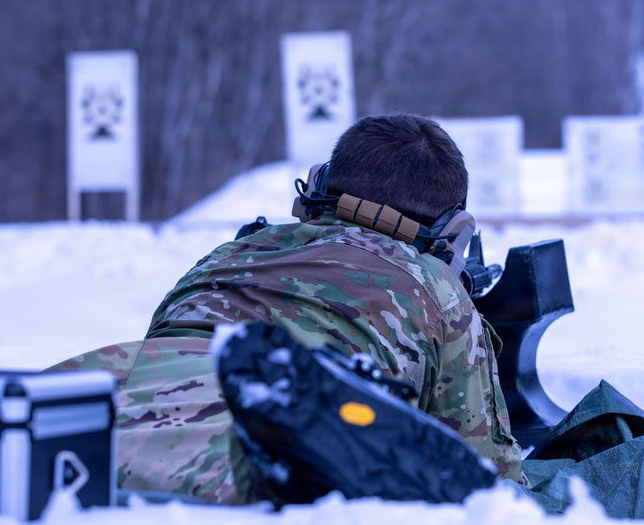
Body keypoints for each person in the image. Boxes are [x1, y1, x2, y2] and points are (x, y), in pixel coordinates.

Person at [50, 113, 526, 505]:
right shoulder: (438, 289)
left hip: (88, 412)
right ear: (456, 232)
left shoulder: (230, 254)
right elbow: (489, 485)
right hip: (272, 449)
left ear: (315, 186)